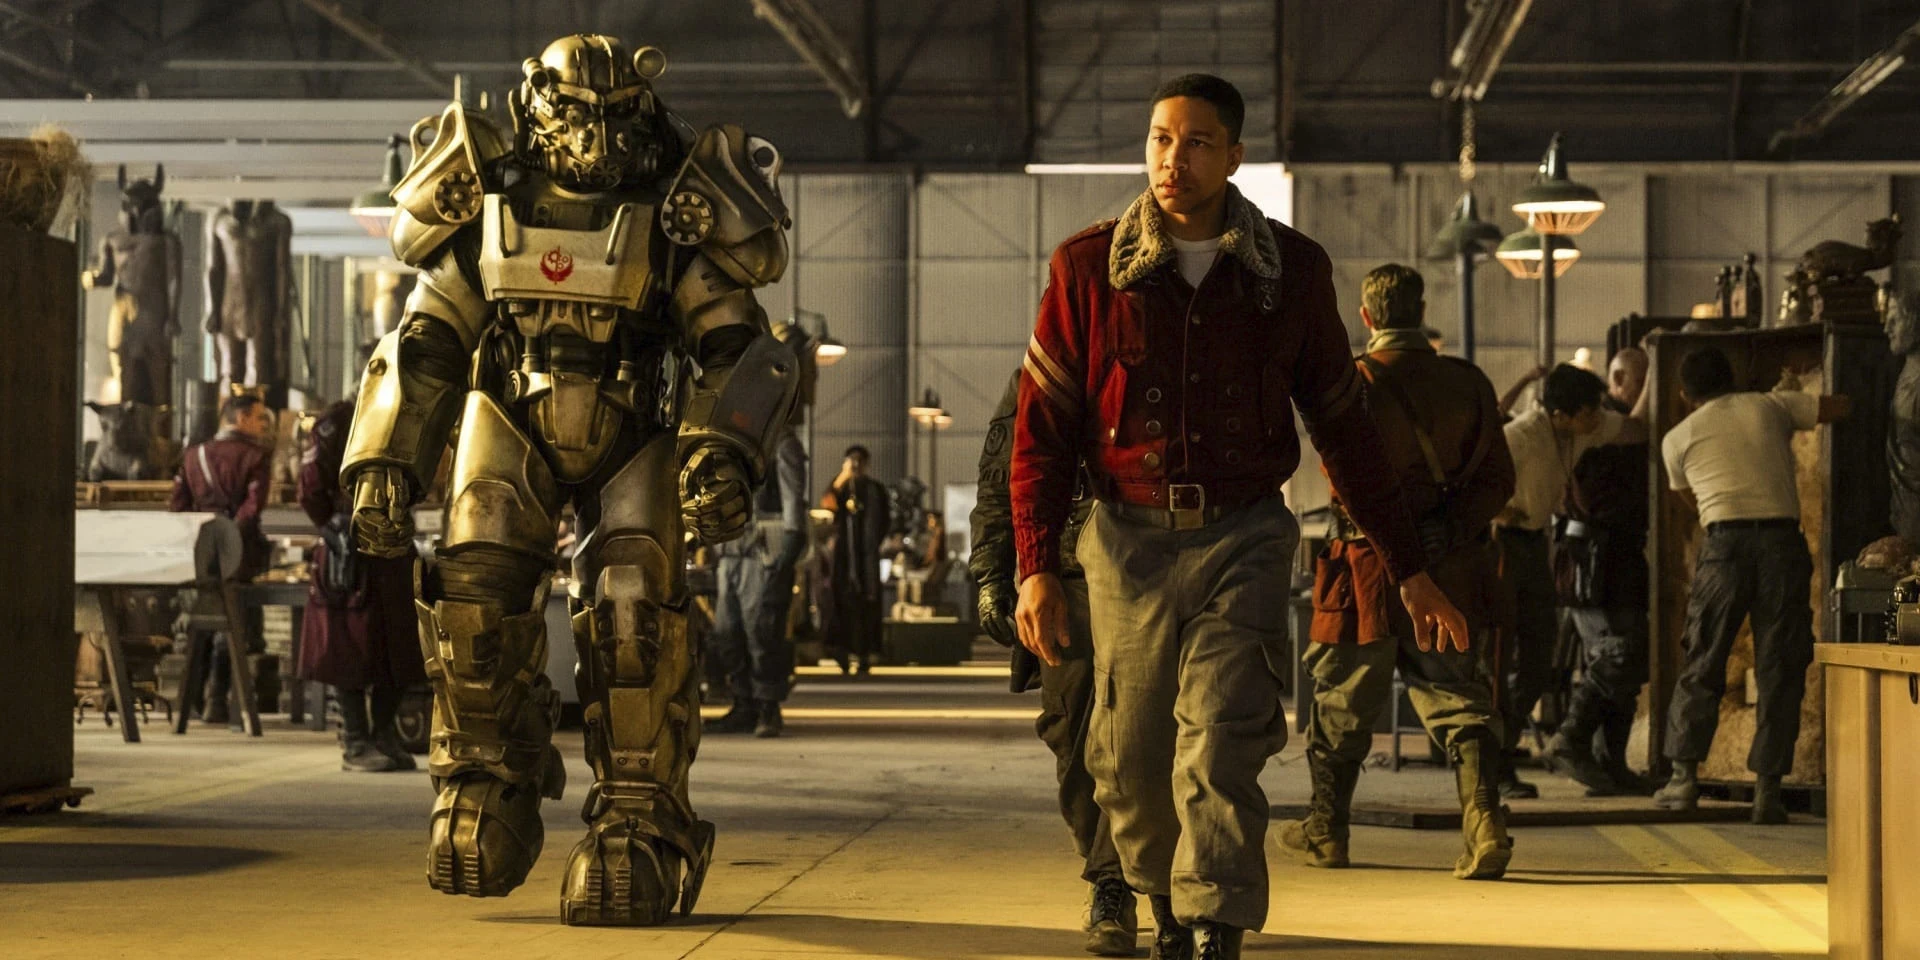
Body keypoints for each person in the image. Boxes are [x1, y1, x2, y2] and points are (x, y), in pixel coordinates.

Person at [339, 35, 798, 924]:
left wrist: (721, 449)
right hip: (509, 419)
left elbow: (736, 345)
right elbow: (428, 337)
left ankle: (641, 814)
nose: (594, 137)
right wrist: (385, 459)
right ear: (537, 107)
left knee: (633, 617)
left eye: (615, 116)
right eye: (576, 115)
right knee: (471, 604)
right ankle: (485, 778)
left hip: (636, 428)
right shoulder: (487, 195)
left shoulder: (677, 209)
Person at [1012, 74, 1470, 960]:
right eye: (1160, 139)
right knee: (1131, 753)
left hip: (1244, 535)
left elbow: (1345, 431)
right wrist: (1034, 565)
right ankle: (1161, 903)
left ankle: (1215, 921)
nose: (1172, 159)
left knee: (1222, 737)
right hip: (1126, 541)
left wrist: (1408, 567)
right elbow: (1041, 433)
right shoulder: (1086, 268)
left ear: (1233, 156)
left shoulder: (1289, 273)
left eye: (1195, 142)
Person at [1278, 264, 1517, 880]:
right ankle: (1484, 823)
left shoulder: (1353, 381)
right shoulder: (1467, 382)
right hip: (1448, 569)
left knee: (1340, 701)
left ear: (1366, 317)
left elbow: (1341, 474)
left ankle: (1327, 831)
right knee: (1459, 698)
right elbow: (1498, 479)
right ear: (1421, 311)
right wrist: (1450, 530)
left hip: (1363, 569)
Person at [973, 369, 1133, 957]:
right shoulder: (1037, 375)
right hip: (1065, 579)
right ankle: (1110, 873)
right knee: (1073, 734)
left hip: (1144, 570)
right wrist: (991, 575)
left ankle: (1119, 880)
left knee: (1140, 737)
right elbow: (1001, 478)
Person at [1655, 347, 1849, 823]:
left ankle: (1683, 779)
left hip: (1723, 545)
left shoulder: (1677, 439)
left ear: (1685, 395)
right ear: (1734, 378)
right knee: (1780, 664)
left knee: (1703, 657)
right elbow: (1839, 407)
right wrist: (1792, 394)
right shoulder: (1770, 406)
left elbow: (1688, 498)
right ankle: (1768, 792)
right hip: (1782, 544)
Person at [1494, 363, 1647, 798]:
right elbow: (1468, 478)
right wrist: (1498, 510)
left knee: (1538, 662)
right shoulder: (1521, 436)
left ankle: (1597, 758)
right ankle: (1494, 766)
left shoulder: (1579, 431)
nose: (1598, 418)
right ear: (1561, 413)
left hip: (1535, 545)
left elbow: (1634, 428)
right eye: (1590, 411)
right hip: (1503, 545)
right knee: (1503, 660)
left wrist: (1653, 368)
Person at [296, 395, 426, 772]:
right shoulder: (340, 419)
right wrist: (334, 526)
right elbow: (310, 486)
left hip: (393, 545)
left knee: (399, 646)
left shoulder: (410, 416)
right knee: (348, 648)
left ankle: (383, 733)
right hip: (349, 548)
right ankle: (355, 741)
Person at [1544, 347, 1653, 795]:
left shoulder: (1605, 423)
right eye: (1641, 383)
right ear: (1621, 379)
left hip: (1617, 557)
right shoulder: (1597, 423)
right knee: (1616, 653)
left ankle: (1611, 761)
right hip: (1593, 558)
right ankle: (1570, 739)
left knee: (1629, 658)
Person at [168, 392, 274, 725]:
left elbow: (177, 507)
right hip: (239, 555)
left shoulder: (193, 455)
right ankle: (217, 700)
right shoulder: (256, 457)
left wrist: (200, 539)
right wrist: (230, 539)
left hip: (198, 554)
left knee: (200, 620)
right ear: (241, 418)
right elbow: (252, 508)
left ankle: (192, 699)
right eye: (259, 417)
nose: (262, 425)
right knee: (233, 623)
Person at [706, 425, 808, 737]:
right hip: (731, 554)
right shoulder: (728, 443)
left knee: (762, 632)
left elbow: (793, 503)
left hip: (762, 555)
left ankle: (767, 706)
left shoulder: (780, 445)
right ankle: (744, 703)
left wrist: (786, 553)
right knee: (728, 634)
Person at [824, 445, 890, 675]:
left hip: (867, 557)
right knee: (842, 602)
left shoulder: (875, 490)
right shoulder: (840, 487)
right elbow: (827, 505)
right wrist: (842, 478)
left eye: (860, 461)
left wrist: (874, 543)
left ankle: (864, 654)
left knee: (866, 604)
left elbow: (885, 521)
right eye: (851, 460)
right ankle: (842, 651)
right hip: (844, 555)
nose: (856, 465)